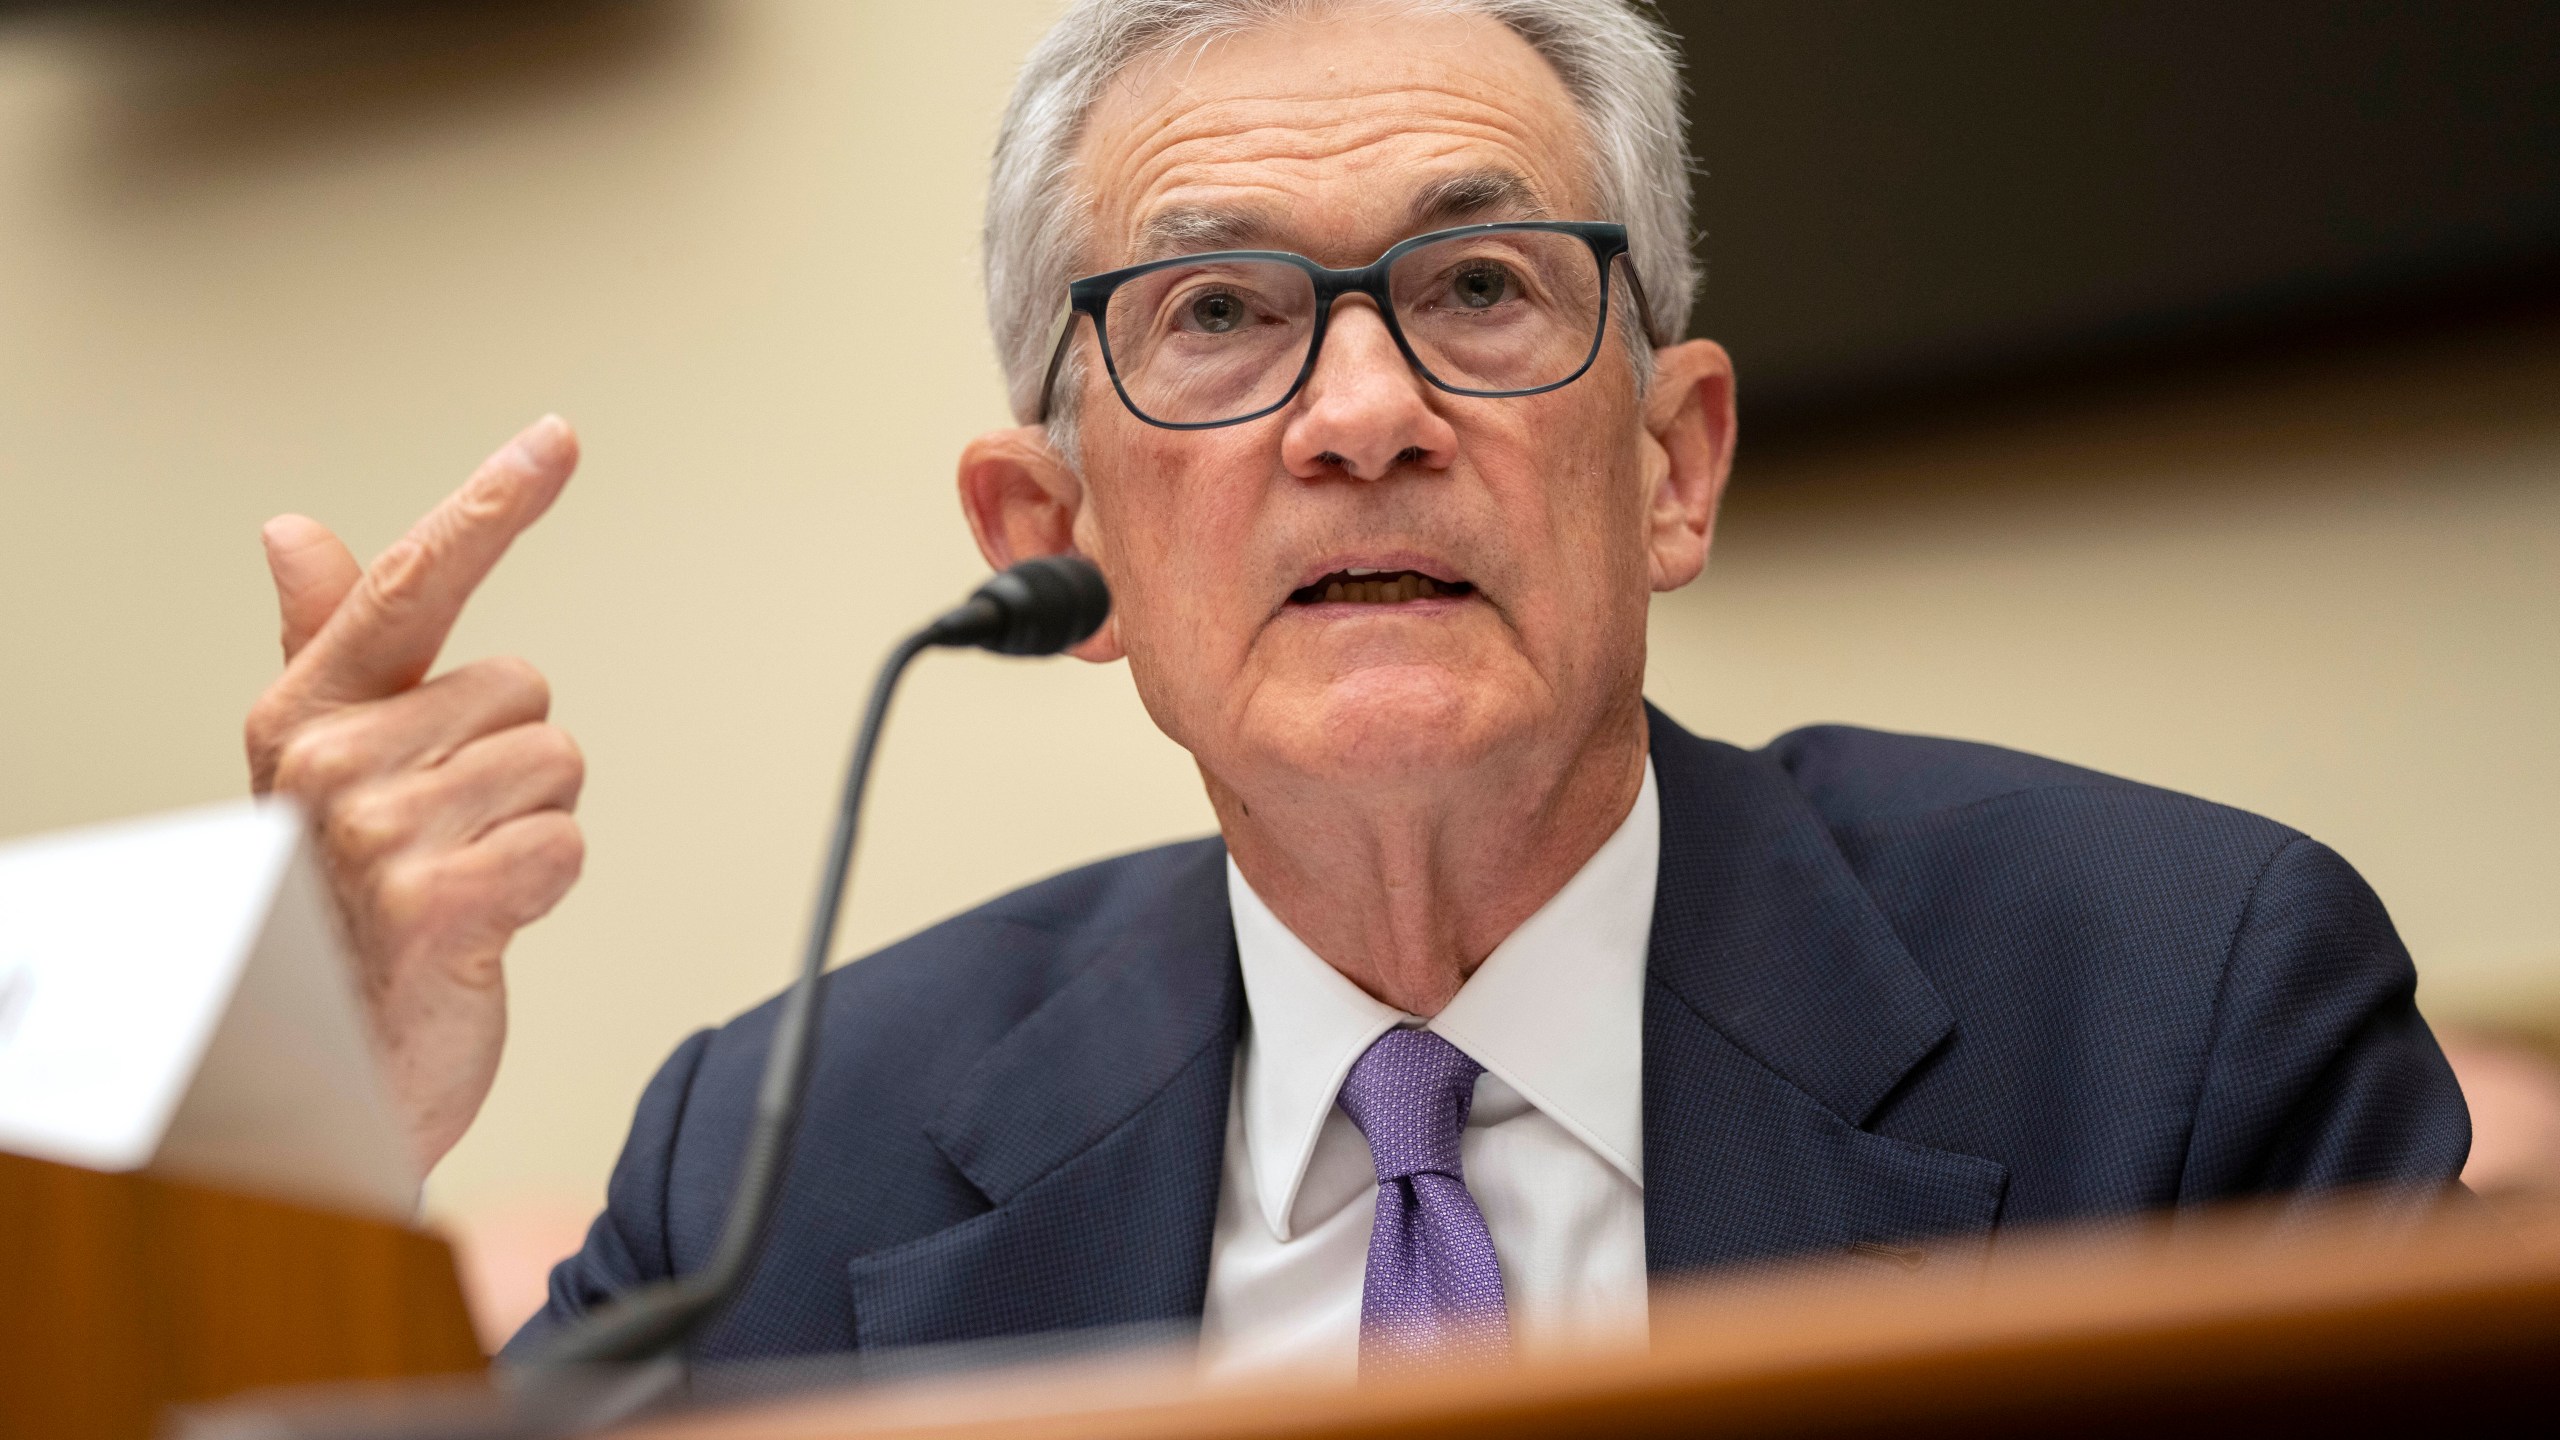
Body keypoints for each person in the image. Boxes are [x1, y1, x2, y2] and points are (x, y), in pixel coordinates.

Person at [240, 0, 2468, 1377]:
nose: (1364, 411)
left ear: (1671, 465)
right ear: (1051, 543)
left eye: (1479, 282)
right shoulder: (787, 1153)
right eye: (1215, 314)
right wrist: (313, 1114)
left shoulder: (2176, 1015)